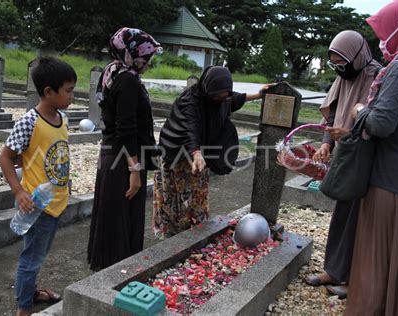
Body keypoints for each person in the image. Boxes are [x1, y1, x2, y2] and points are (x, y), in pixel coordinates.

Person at [305, 31, 381, 299]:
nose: (339, 69)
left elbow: (378, 122)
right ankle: (334, 270)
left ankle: (355, 280)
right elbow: (335, 114)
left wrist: (350, 135)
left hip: (367, 158)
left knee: (361, 220)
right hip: (345, 153)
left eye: (342, 63)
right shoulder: (344, 77)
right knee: (341, 213)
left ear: (356, 57)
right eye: (334, 64)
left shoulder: (376, 76)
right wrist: (326, 143)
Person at [0, 57, 76, 316]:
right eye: (68, 90)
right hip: (36, 205)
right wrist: (19, 191)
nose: (72, 96)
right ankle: (24, 309)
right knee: (31, 259)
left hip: (56, 202)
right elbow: (6, 157)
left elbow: (54, 156)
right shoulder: (29, 122)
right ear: (48, 92)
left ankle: (31, 292)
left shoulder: (62, 119)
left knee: (38, 255)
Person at [153, 66, 266, 239]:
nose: (220, 100)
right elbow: (190, 128)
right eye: (216, 96)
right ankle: (171, 237)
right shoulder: (189, 101)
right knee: (174, 197)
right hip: (176, 154)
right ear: (206, 88)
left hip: (197, 155)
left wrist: (258, 95)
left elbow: (233, 99)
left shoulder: (221, 98)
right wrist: (196, 153)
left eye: (224, 95)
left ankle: (194, 231)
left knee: (197, 195)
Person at [345, 2, 398, 315]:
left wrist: (359, 111)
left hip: (390, 184)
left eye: (385, 33)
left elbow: (381, 123)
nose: (381, 42)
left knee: (375, 265)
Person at [87, 27, 161, 271]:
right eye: (146, 55)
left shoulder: (113, 70)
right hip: (124, 158)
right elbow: (125, 127)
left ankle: (109, 268)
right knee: (119, 217)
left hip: (112, 154)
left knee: (113, 215)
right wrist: (135, 170)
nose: (149, 61)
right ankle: (115, 273)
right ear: (133, 53)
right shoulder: (127, 79)